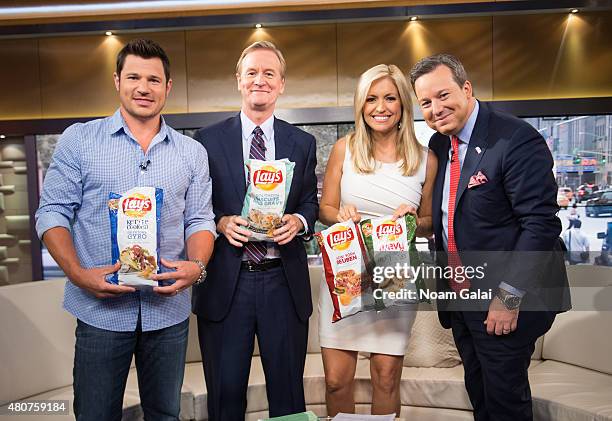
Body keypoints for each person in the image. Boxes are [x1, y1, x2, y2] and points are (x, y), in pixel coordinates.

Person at [35, 39, 216, 420]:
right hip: (100, 312)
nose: (143, 87)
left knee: (165, 414)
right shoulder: (80, 141)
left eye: (154, 79)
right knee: (96, 414)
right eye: (133, 76)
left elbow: (200, 219)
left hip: (168, 312)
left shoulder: (191, 152)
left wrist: (197, 266)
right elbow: (51, 213)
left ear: (168, 87)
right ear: (117, 81)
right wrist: (78, 274)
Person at [410, 53, 571, 421]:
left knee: (504, 404)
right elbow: (449, 218)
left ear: (467, 88)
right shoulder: (439, 146)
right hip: (462, 299)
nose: (436, 108)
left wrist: (508, 297)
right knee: (480, 395)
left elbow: (541, 226)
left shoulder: (515, 138)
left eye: (444, 95)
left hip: (507, 298)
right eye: (426, 103)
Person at [192, 41, 318, 420]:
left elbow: (310, 202)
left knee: (288, 398)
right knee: (225, 396)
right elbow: (195, 203)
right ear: (238, 81)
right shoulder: (207, 140)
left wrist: (299, 222)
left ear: (281, 84)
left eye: (268, 74)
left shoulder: (303, 143)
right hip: (227, 282)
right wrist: (220, 221)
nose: (259, 80)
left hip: (283, 280)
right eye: (251, 73)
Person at [318, 64, 437, 416]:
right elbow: (325, 207)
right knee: (336, 381)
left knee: (386, 377)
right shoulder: (345, 148)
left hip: (395, 278)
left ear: (403, 105)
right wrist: (340, 214)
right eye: (371, 99)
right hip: (346, 277)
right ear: (361, 104)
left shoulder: (425, 158)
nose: (380, 107)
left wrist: (415, 221)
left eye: (389, 98)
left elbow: (431, 222)